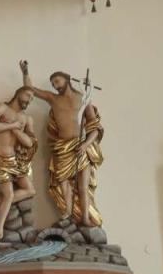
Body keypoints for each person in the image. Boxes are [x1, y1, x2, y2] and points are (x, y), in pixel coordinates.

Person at [21, 60, 104, 228]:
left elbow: (95, 128)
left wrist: (86, 145)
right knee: (62, 181)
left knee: (83, 185)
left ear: (66, 79)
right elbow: (31, 90)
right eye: (53, 84)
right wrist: (25, 72)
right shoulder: (53, 99)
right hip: (63, 148)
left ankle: (85, 218)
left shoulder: (83, 98)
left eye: (57, 81)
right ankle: (68, 213)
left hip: (81, 146)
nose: (55, 86)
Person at [0, 87, 38, 239]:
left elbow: (29, 143)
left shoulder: (27, 119)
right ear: (19, 93)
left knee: (30, 190)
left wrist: (16, 130)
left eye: (32, 99)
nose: (30, 100)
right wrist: (12, 125)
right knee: (9, 194)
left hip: (14, 161)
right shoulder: (2, 108)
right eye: (28, 95)